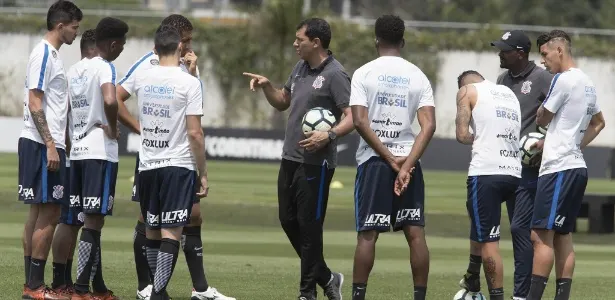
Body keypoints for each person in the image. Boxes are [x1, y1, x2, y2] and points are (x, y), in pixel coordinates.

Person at [117, 14, 234, 300]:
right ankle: (150, 288)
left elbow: (192, 109)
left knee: (186, 217)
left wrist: (193, 73)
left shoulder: (182, 73)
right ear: (177, 41)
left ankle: (197, 288)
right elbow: (116, 96)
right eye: (188, 40)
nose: (191, 46)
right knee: (153, 223)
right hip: (170, 158)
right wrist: (138, 129)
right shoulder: (146, 66)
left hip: (163, 159)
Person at [243, 17, 353, 300]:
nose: (295, 44)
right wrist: (268, 86)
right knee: (287, 220)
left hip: (317, 163)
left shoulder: (336, 74)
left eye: (299, 40)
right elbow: (283, 100)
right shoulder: (300, 67)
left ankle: (307, 293)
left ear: (315, 43)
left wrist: (328, 136)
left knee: (309, 228)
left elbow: (352, 117)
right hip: (290, 157)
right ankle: (328, 278)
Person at [457, 30, 554, 300]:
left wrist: (545, 143)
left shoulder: (543, 78)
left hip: (530, 166)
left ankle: (520, 295)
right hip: (503, 164)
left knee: (520, 230)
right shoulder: (501, 81)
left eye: (505, 49)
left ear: (520, 53)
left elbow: (561, 112)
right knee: (485, 226)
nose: (499, 52)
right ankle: (477, 278)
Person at [348, 15, 435, 300]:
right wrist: (405, 165)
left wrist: (388, 158)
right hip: (409, 162)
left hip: (375, 162)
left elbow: (360, 121)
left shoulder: (364, 73)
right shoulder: (418, 75)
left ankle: (358, 296)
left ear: (376, 40)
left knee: (367, 234)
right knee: (416, 234)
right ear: (403, 42)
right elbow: (429, 125)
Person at [527, 30, 605, 300]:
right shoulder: (588, 82)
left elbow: (543, 118)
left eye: (545, 54)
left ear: (559, 50)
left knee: (540, 235)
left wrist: (542, 119)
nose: (543, 61)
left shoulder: (563, 80)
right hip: (575, 166)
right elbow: (598, 123)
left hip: (559, 168)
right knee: (563, 235)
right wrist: (568, 144)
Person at [131, 25, 208, 300]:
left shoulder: (143, 78)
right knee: (171, 234)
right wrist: (203, 172)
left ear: (156, 48)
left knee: (152, 231)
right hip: (177, 165)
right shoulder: (189, 81)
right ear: (179, 48)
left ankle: (155, 291)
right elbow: (195, 133)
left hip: (147, 165)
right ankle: (158, 293)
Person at [19, 1, 82, 299]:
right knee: (51, 211)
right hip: (42, 142)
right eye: (74, 27)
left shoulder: (52, 54)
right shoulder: (43, 53)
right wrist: (51, 145)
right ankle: (34, 285)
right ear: (60, 25)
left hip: (45, 141)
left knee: (38, 211)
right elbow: (35, 101)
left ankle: (32, 284)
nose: (76, 33)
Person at [66, 16, 128, 300]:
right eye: (122, 45)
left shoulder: (75, 70)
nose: (122, 50)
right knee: (94, 221)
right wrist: (114, 127)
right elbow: (110, 100)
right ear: (113, 44)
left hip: (77, 151)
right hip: (99, 152)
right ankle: (81, 289)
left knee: (90, 219)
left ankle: (97, 286)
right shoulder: (105, 67)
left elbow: (67, 110)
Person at [455, 70, 522, 300]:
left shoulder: (467, 91)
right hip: (514, 172)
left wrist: (481, 136)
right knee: (482, 224)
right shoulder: (508, 93)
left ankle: (496, 297)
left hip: (486, 173)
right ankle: (473, 275)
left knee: (489, 242)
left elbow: (462, 135)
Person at [50, 28, 99, 298]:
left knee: (77, 220)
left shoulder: (73, 72)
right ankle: (59, 281)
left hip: (77, 152)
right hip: (78, 154)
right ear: (94, 48)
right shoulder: (88, 71)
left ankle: (66, 279)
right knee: (69, 220)